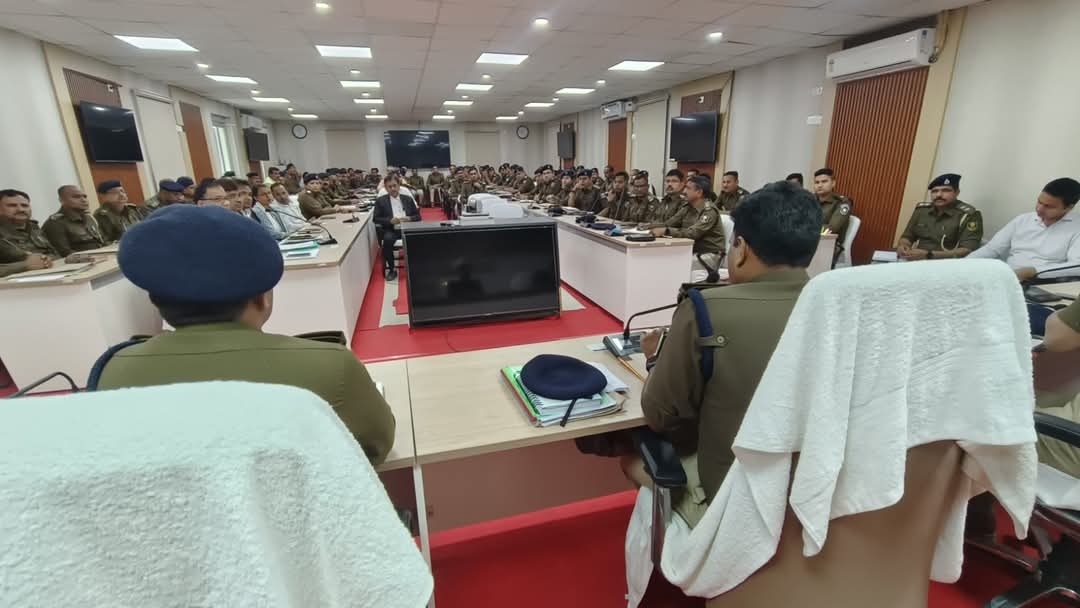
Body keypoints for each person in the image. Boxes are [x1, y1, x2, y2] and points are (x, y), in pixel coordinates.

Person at [94, 204, 396, 463]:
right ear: (262, 298)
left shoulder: (113, 372)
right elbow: (376, 445)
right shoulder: (330, 365)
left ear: (156, 301)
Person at [628, 181, 821, 527]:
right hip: (814, 493)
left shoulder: (705, 308)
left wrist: (655, 358)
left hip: (732, 497)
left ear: (741, 248)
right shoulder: (841, 308)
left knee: (628, 458)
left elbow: (660, 415)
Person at [969, 177, 1080, 281]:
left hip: (1045, 283)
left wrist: (1033, 271)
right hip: (1008, 277)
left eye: (1048, 206)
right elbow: (992, 249)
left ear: (1069, 208)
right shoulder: (1023, 220)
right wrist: (964, 264)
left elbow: (1077, 266)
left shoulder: (1076, 227)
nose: (1039, 209)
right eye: (1039, 202)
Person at [653, 175, 726, 283]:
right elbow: (668, 223)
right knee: (662, 259)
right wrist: (644, 228)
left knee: (677, 266)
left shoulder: (709, 211)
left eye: (688, 188)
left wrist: (667, 231)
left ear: (699, 192)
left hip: (709, 253)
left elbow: (693, 233)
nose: (684, 191)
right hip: (689, 249)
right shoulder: (688, 207)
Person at [896, 173, 983, 261]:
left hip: (946, 264)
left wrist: (929, 255)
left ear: (957, 192)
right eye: (934, 191)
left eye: (946, 190)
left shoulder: (969, 215)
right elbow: (907, 236)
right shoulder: (922, 211)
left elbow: (967, 250)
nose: (939, 195)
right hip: (915, 260)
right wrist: (903, 246)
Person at [373, 175, 420, 282]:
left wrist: (409, 218)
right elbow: (376, 218)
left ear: (399, 185)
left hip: (407, 228)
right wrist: (389, 220)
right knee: (387, 241)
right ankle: (392, 269)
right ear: (385, 188)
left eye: (395, 185)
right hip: (392, 229)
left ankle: (415, 267)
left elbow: (418, 217)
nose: (393, 189)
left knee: (418, 240)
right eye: (389, 187)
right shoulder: (381, 201)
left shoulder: (408, 199)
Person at [0, 189, 57, 277]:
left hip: (48, 273)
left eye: (25, 205)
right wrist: (25, 265)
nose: (21, 209)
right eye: (12, 205)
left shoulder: (34, 227)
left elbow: (55, 254)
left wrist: (46, 260)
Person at [42, 185, 107, 256]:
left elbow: (103, 241)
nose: (83, 200)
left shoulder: (89, 218)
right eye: (76, 197)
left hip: (103, 256)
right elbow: (63, 252)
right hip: (83, 260)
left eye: (85, 196)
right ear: (61, 200)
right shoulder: (55, 223)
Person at [813, 168, 854, 258]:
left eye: (824, 181)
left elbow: (832, 228)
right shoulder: (809, 200)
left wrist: (806, 229)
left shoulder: (842, 203)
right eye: (817, 182)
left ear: (833, 183)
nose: (820, 185)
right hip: (809, 240)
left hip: (829, 245)